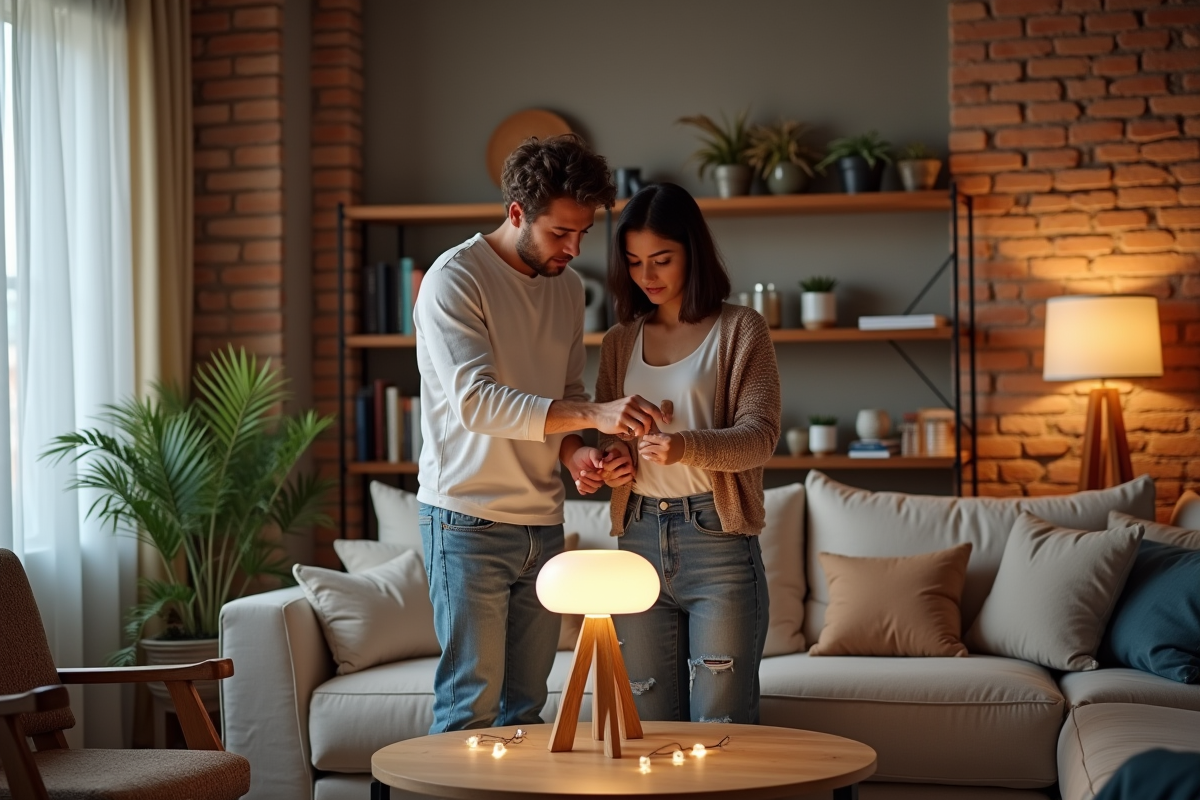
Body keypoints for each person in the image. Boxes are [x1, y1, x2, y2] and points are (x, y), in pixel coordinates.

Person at [414, 134, 665, 734]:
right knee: (468, 711)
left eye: (583, 233)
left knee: (525, 713)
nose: (575, 248)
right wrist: (597, 418)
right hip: (465, 520)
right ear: (517, 213)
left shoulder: (568, 287)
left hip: (543, 524)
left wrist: (579, 453)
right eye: (560, 233)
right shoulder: (456, 278)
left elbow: (567, 396)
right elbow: (478, 403)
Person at [595, 182, 781, 724]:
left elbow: (760, 435)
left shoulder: (741, 330)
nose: (646, 276)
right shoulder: (617, 342)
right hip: (637, 537)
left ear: (691, 253)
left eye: (661, 259)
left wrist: (683, 447)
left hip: (717, 541)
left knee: (721, 726)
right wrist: (614, 463)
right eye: (633, 262)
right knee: (648, 723)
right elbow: (612, 435)